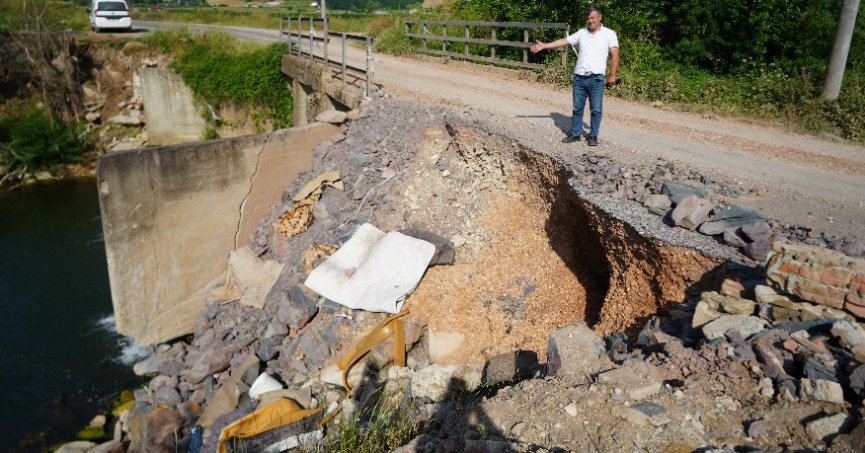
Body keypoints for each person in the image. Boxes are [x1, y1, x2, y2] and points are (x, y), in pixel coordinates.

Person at [531, 8, 619, 146]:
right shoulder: (581, 33)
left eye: (592, 18)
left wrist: (612, 75)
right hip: (579, 78)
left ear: (600, 18)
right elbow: (564, 41)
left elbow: (615, 54)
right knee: (577, 108)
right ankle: (576, 133)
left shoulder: (609, 34)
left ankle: (593, 135)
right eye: (588, 18)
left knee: (596, 109)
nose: (590, 20)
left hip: (596, 78)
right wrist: (545, 46)